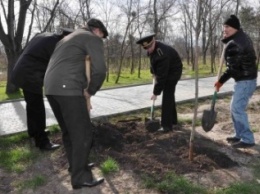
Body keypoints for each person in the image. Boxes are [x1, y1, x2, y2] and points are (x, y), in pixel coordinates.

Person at [44, 18, 108, 189]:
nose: (101, 39)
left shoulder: (68, 38)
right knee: (84, 133)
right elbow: (100, 70)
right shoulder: (91, 38)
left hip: (51, 88)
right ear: (96, 30)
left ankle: (76, 166)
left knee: (69, 131)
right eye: (102, 35)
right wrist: (90, 90)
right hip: (68, 89)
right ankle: (80, 178)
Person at [11, 28, 73, 151]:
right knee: (37, 109)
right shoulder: (56, 45)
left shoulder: (45, 36)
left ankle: (33, 133)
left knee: (32, 106)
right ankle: (42, 142)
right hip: (30, 75)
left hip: (22, 72)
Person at [215, 15, 257, 148]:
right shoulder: (240, 38)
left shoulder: (236, 44)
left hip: (245, 81)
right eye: (224, 27)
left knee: (237, 108)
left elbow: (232, 69)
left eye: (227, 27)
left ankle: (248, 139)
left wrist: (220, 81)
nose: (224, 29)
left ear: (235, 28)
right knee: (234, 108)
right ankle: (239, 135)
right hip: (245, 79)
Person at [136, 34, 183, 132]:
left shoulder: (162, 53)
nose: (148, 50)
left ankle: (166, 126)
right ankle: (173, 120)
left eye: (149, 47)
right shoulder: (153, 49)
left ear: (154, 42)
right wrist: (153, 73)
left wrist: (156, 92)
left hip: (173, 71)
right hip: (166, 70)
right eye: (146, 48)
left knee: (167, 96)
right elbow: (153, 62)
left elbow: (162, 77)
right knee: (169, 96)